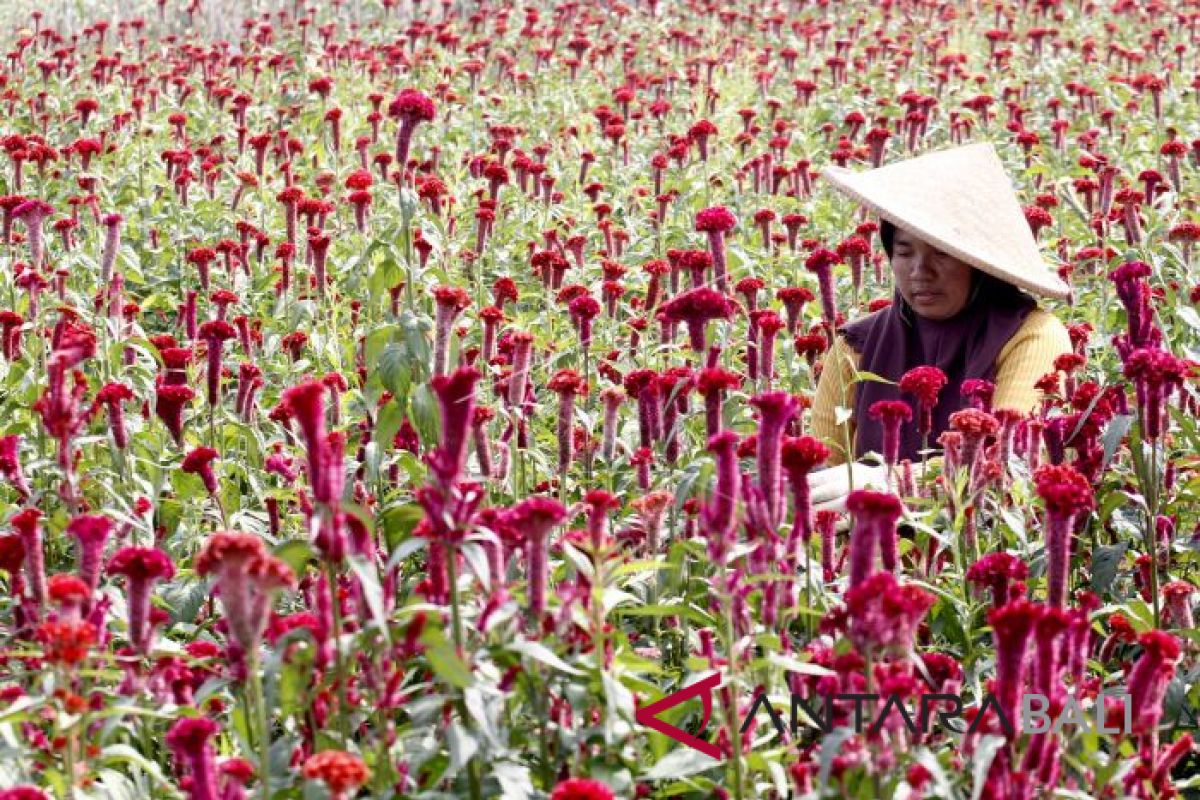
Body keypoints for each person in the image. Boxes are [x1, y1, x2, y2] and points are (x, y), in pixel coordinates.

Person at [806, 141, 1074, 512]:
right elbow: (822, 471)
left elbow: (1013, 463)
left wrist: (892, 482)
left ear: (979, 262)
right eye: (904, 251)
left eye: (942, 253)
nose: (919, 271)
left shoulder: (1032, 336)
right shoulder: (857, 346)